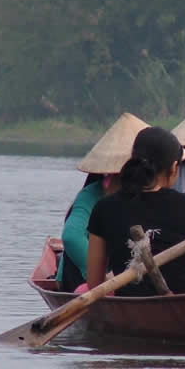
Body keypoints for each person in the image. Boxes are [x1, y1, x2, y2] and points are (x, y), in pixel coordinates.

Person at [86, 127, 185, 295]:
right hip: (181, 305)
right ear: (174, 167)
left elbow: (94, 283)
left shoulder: (103, 207)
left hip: (129, 307)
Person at [56, 113, 149, 293]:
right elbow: (71, 237)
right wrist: (101, 279)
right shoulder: (91, 195)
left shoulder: (148, 193)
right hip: (84, 279)